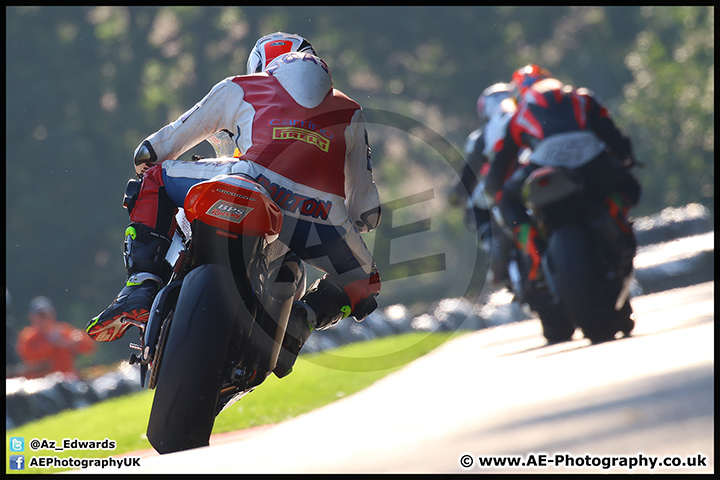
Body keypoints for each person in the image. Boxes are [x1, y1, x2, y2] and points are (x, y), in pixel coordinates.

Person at [86, 33, 382, 374]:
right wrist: (349, 226)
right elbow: (365, 210)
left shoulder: (240, 86)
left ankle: (141, 285)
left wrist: (145, 167)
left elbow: (152, 152)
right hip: (318, 212)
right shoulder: (350, 110)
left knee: (155, 179)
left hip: (247, 177)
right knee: (364, 282)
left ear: (260, 66)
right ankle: (304, 319)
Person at [484, 64, 641, 285]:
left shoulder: (518, 116)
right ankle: (615, 215)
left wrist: (494, 189)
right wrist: (625, 158)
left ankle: (532, 248)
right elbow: (614, 138)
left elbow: (500, 164)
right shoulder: (582, 97)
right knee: (628, 185)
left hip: (542, 168)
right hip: (592, 163)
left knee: (507, 200)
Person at [449, 82, 517, 286]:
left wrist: (456, 195)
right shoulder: (528, 117)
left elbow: (469, 174)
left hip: (504, 187)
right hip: (526, 178)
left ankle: (492, 242)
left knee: (473, 205)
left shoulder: (482, 136)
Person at [16, 296, 96, 380]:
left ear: (53, 314)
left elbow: (89, 345)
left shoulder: (62, 331)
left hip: (66, 380)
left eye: (46, 315)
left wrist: (72, 343)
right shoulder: (28, 337)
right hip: (41, 383)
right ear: (31, 317)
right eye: (40, 315)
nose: (44, 319)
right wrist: (53, 345)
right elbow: (29, 357)